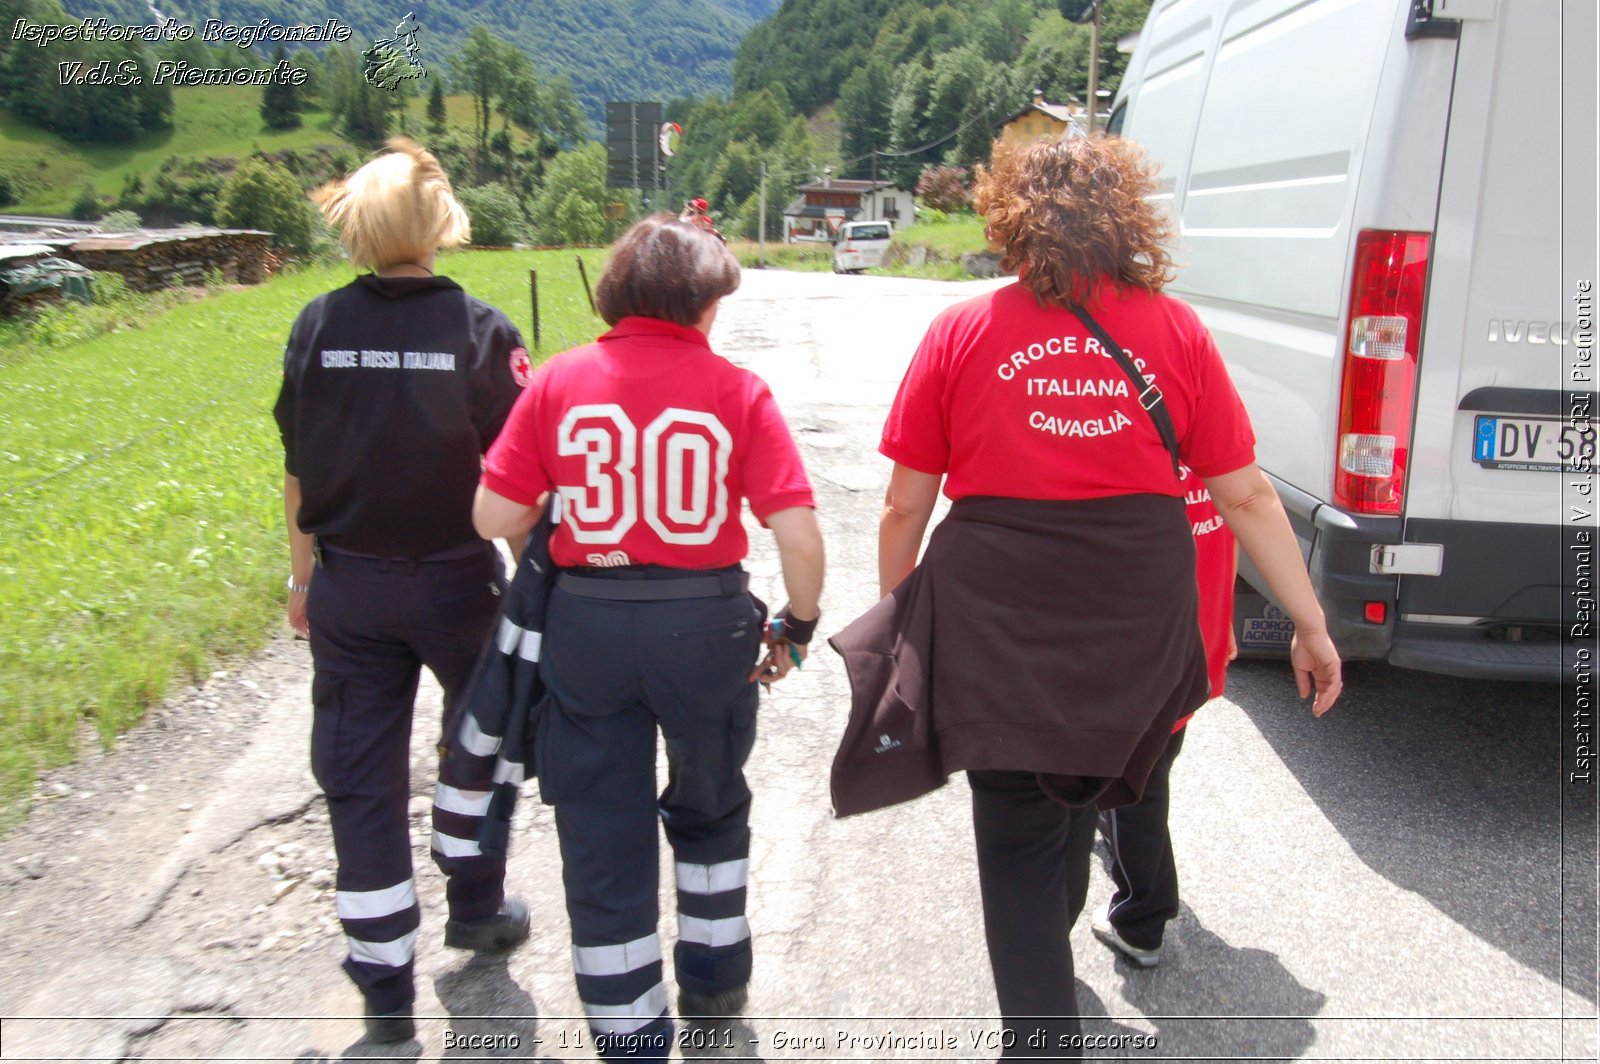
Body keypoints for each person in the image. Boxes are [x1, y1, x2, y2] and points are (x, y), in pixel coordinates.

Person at [869, 136, 1342, 1058]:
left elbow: (902, 508)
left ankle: (1042, 1037)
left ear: (1008, 217)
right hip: (1135, 621)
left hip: (997, 617)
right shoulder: (1175, 330)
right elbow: (1242, 494)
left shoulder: (961, 332)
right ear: (1127, 220)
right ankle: (1060, 973)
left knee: (1016, 836)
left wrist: (903, 621)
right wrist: (1310, 621)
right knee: (1089, 781)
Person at [471, 213, 825, 1062]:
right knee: (710, 804)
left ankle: (630, 1031)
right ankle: (714, 978)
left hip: (586, 629)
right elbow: (801, 536)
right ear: (701, 306)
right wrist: (796, 627)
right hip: (706, 630)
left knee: (601, 828)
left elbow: (491, 514)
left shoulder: (557, 381)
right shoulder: (739, 392)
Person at [273, 138, 533, 1045]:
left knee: (359, 779)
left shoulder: (314, 326)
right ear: (438, 224)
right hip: (459, 586)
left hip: (351, 588)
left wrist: (302, 582)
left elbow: (299, 474)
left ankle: (385, 995)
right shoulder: (482, 331)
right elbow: (521, 483)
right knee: (482, 747)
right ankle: (477, 904)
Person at [1091, 465, 1236, 969]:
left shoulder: (1125, 431)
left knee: (1141, 783)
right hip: (1197, 636)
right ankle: (1111, 831)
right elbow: (1230, 523)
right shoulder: (1208, 423)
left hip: (1156, 652)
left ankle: (1142, 918)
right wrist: (1225, 621)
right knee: (1147, 766)